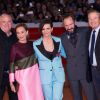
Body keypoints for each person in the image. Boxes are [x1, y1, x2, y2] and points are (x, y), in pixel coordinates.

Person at [61, 13, 96, 100]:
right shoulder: (61, 38)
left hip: (86, 72)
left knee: (91, 97)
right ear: (63, 25)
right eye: (66, 25)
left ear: (74, 21)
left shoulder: (85, 31)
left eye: (71, 24)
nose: (69, 27)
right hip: (72, 73)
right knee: (76, 98)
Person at [9, 23, 44, 100]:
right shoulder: (14, 47)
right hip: (23, 78)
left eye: (22, 32)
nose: (20, 35)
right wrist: (11, 82)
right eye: (18, 33)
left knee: (37, 96)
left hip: (35, 77)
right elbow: (11, 64)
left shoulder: (32, 44)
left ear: (27, 32)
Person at [33, 19, 66, 100]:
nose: (45, 31)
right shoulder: (35, 44)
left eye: (48, 28)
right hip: (45, 77)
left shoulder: (58, 40)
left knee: (57, 98)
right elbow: (32, 61)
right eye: (43, 29)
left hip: (58, 75)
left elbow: (66, 54)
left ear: (52, 29)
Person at [0, 13, 18, 100]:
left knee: (14, 97)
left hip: (12, 74)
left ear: (12, 22)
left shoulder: (15, 35)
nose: (7, 24)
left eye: (9, 21)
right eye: (4, 22)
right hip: (1, 74)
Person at [88, 9, 100, 100]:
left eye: (95, 18)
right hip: (93, 70)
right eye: (90, 19)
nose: (92, 21)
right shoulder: (89, 33)